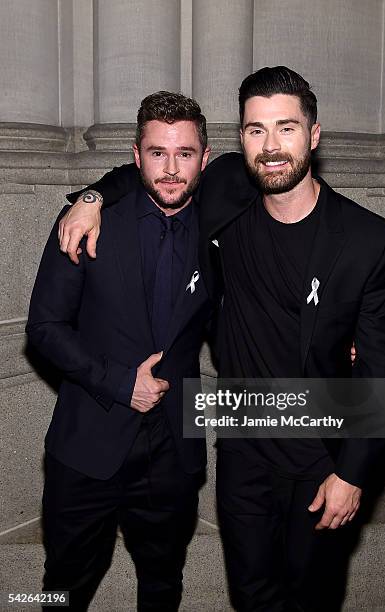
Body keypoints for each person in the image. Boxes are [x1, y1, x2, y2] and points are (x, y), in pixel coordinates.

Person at [56, 67, 385, 611]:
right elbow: (158, 169)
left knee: (310, 598)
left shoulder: (371, 240)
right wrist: (90, 195)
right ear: (240, 138)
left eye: (286, 128)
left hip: (322, 453)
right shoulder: (226, 192)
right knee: (251, 597)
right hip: (242, 446)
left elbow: (382, 368)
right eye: (256, 130)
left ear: (314, 135)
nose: (271, 147)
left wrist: (352, 473)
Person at [26, 92, 213, 611]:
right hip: (89, 439)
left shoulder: (219, 227)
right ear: (136, 155)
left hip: (176, 443)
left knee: (163, 579)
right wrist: (117, 381)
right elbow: (44, 326)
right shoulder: (86, 222)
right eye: (157, 153)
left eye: (185, 153)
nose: (171, 169)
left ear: (206, 155)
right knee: (63, 584)